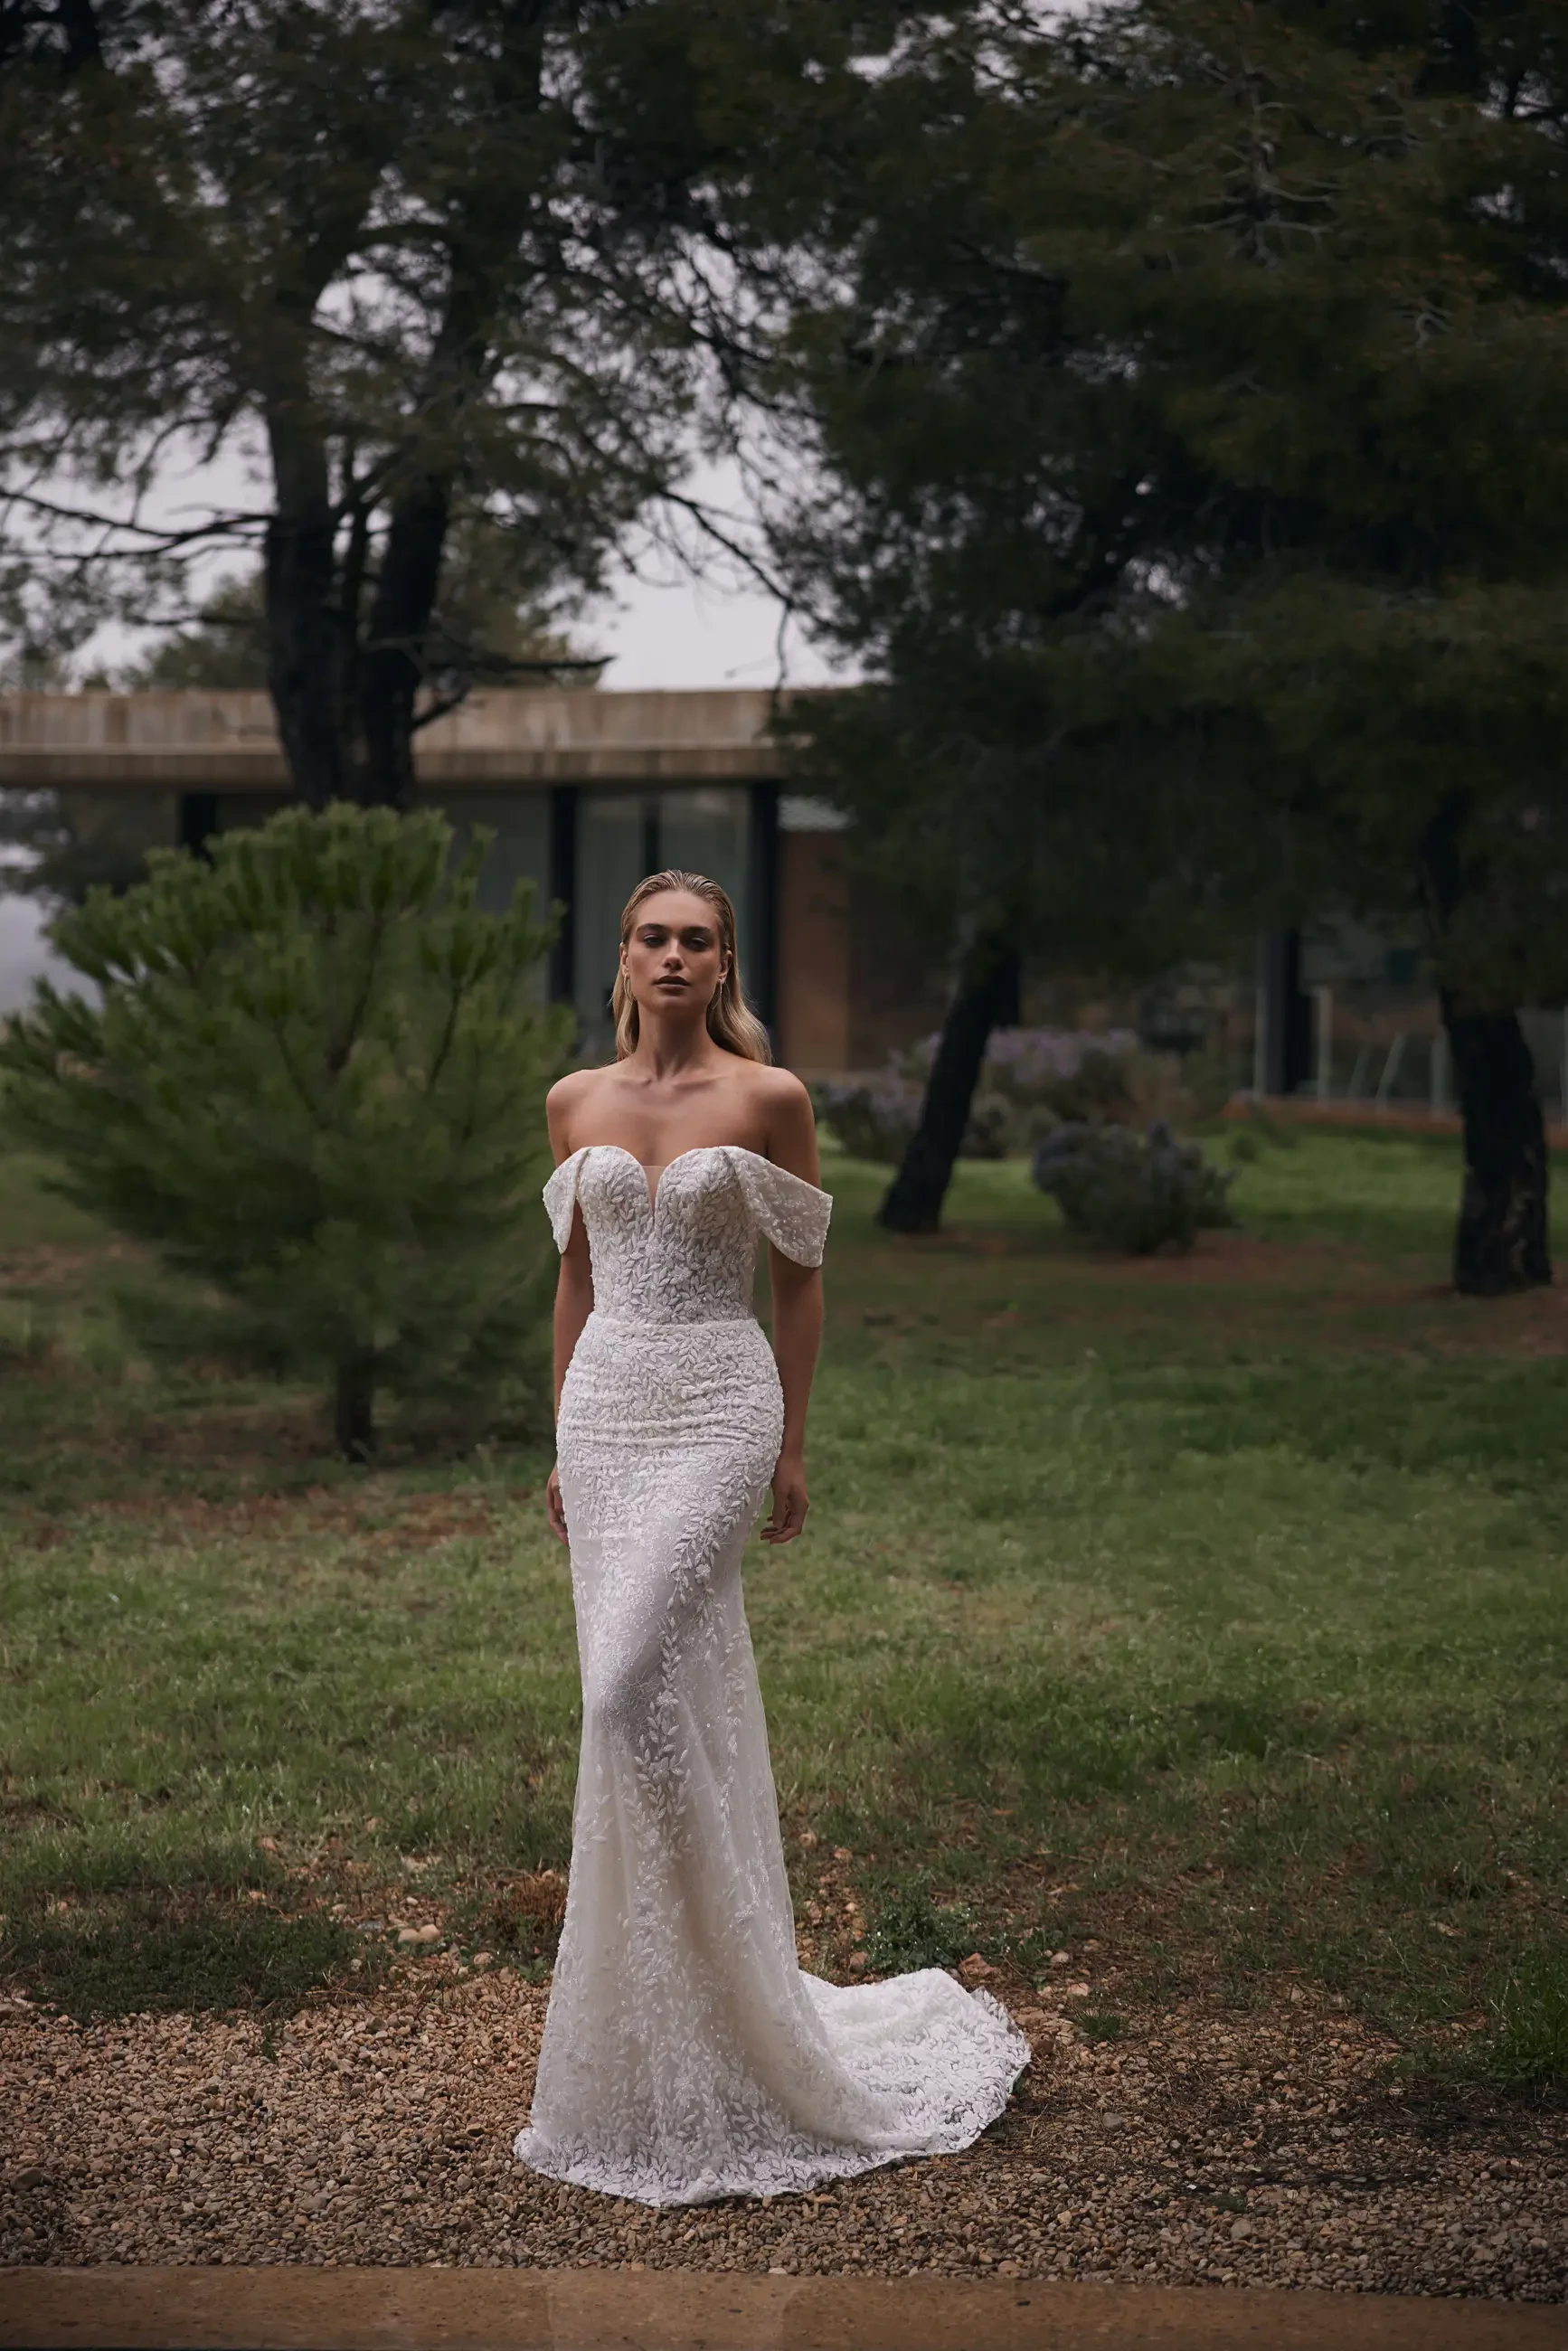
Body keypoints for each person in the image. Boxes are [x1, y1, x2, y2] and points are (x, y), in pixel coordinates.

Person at [513, 869, 1027, 2206]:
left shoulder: (770, 1098)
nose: (672, 955)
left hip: (718, 1406)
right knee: (630, 1700)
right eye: (651, 937)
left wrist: (791, 1442)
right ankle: (667, 2006)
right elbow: (573, 1279)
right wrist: (563, 1436)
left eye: (696, 938)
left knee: (628, 1688)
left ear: (723, 959)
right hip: (611, 1409)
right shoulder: (575, 1100)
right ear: (622, 957)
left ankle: (742, 2005)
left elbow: (799, 1283)